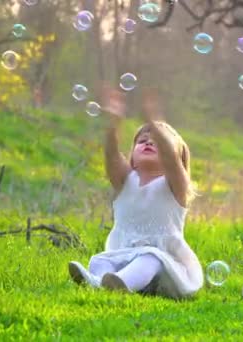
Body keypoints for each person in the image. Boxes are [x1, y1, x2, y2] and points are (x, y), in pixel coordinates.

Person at [68, 87, 203, 299]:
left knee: (149, 258)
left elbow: (171, 158)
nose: (149, 142)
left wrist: (155, 123)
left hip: (165, 268)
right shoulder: (125, 182)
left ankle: (122, 284)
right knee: (100, 260)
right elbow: (111, 156)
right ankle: (97, 282)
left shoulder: (175, 185)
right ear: (132, 155)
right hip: (125, 255)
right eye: (142, 141)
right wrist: (113, 125)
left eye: (156, 142)